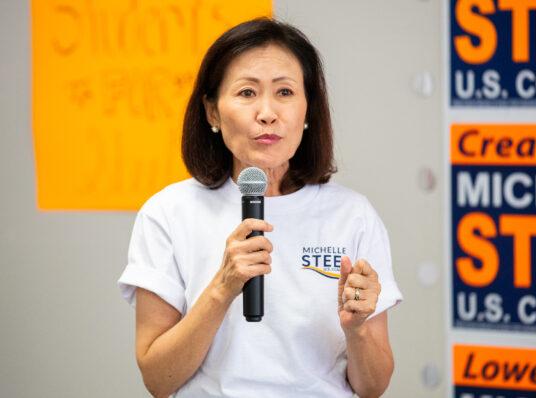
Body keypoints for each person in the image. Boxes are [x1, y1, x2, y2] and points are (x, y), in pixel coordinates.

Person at [117, 17, 403, 398]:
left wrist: (357, 329)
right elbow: (157, 379)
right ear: (212, 112)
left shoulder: (353, 216)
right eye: (247, 93)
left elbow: (373, 387)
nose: (267, 112)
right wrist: (222, 287)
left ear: (308, 111)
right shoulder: (168, 213)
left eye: (284, 92)